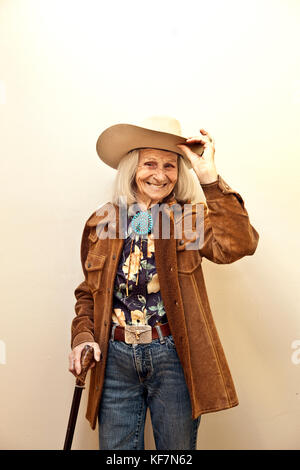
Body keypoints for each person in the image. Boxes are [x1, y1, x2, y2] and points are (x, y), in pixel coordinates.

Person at [68, 116, 259, 450]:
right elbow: (88, 292)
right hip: (114, 360)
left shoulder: (190, 219)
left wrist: (209, 179)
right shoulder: (104, 221)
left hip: (172, 357)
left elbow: (239, 245)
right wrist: (82, 336)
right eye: (150, 164)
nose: (160, 174)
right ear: (132, 168)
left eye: (170, 165)